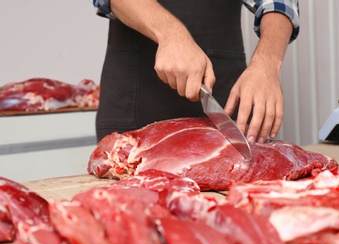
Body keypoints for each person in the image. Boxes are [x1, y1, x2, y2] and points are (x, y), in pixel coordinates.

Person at [92, 0, 300, 144]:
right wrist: (171, 35)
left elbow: (279, 2)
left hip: (222, 102)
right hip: (134, 106)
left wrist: (267, 64)